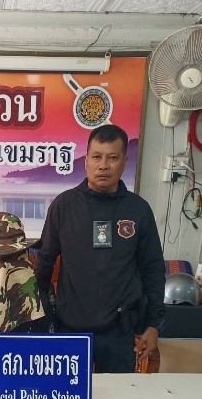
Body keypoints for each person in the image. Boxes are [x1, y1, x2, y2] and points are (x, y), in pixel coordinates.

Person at [36, 124, 165, 373]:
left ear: (124, 162)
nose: (103, 165)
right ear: (86, 161)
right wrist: (40, 319)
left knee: (119, 396)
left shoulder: (138, 210)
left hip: (119, 332)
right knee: (67, 395)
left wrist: (154, 324)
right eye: (97, 157)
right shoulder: (64, 206)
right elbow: (44, 265)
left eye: (112, 158)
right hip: (70, 329)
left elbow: (153, 269)